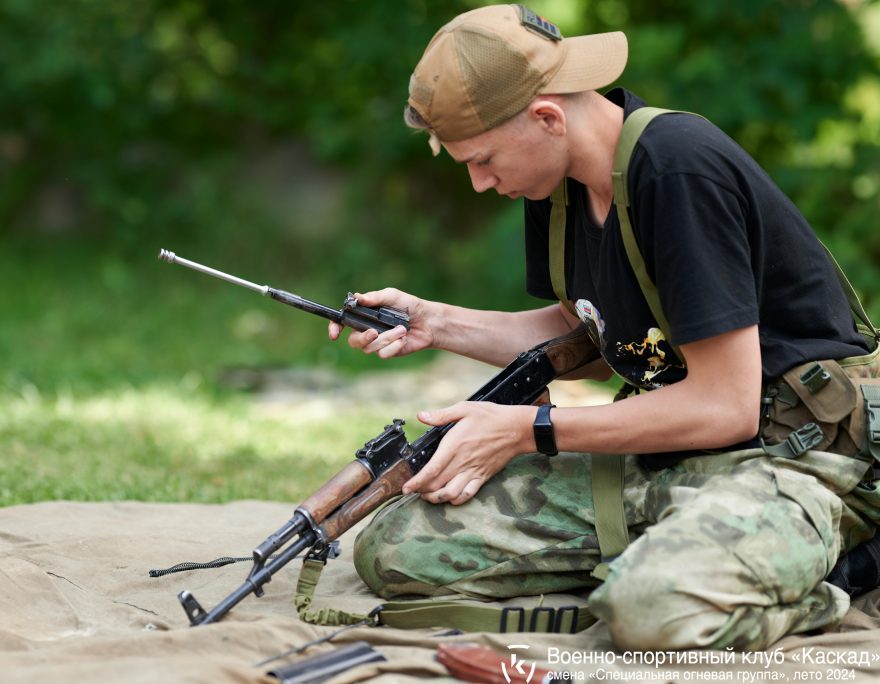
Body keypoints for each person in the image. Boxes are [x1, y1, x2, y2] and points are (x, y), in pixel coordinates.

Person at [327, 4, 880, 651]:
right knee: (398, 551)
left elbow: (724, 405)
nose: (479, 183)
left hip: (799, 457)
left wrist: (527, 432)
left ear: (547, 118)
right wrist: (436, 322)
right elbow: (588, 336)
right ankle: (687, 554)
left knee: (649, 613)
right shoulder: (555, 186)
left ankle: (849, 566)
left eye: (482, 159)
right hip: (672, 455)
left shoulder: (676, 170)